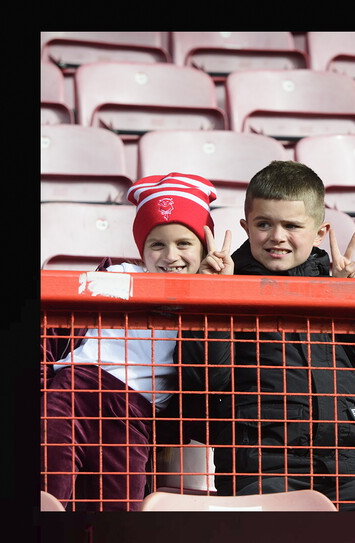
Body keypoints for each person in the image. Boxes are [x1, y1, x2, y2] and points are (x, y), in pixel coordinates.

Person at [181, 160, 355, 511]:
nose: (277, 236)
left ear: (319, 232)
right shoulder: (227, 288)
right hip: (258, 472)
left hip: (345, 472)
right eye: (264, 224)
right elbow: (207, 377)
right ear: (246, 227)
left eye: (292, 225)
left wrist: (352, 305)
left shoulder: (339, 289)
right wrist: (213, 298)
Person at [41, 172, 231, 511]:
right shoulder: (117, 275)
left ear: (204, 246)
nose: (170, 256)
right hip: (74, 392)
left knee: (119, 507)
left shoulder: (209, 298)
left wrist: (211, 292)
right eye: (157, 244)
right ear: (141, 250)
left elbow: (208, 371)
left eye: (184, 244)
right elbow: (55, 330)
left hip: (135, 415)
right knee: (48, 491)